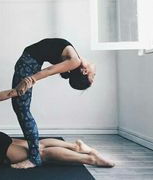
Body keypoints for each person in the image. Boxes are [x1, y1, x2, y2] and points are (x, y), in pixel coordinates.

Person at [0, 68, 114, 169]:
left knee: (41, 154)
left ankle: (91, 159)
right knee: (38, 145)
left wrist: (17, 91)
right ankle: (76, 146)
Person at [11, 38, 96, 168]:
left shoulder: (75, 61)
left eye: (92, 77)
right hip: (27, 63)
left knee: (22, 110)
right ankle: (36, 154)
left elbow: (49, 71)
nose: (94, 76)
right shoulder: (77, 60)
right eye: (93, 77)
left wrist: (29, 79)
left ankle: (34, 158)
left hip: (27, 64)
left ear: (84, 71)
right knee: (20, 109)